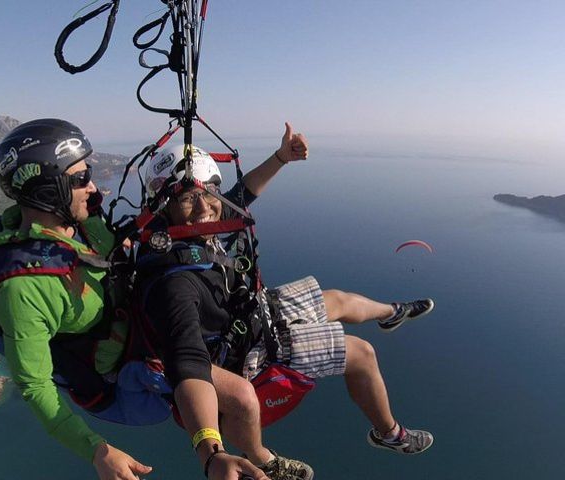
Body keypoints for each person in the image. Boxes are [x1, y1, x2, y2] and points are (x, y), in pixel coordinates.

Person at [138, 123, 436, 478]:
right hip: (244, 348)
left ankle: (391, 313)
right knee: (362, 354)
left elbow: (243, 192)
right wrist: (209, 452)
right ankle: (390, 434)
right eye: (188, 198)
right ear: (165, 208)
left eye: (209, 194)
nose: (205, 206)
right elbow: (186, 362)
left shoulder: (197, 229)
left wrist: (281, 157)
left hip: (249, 312)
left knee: (336, 300)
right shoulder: (176, 283)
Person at [0, 118, 267, 480]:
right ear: (46, 190)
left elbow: (202, 214)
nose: (93, 187)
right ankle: (249, 458)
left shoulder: (82, 226)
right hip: (127, 370)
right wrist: (98, 451)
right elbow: (35, 387)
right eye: (80, 179)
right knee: (243, 395)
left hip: (141, 320)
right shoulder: (24, 288)